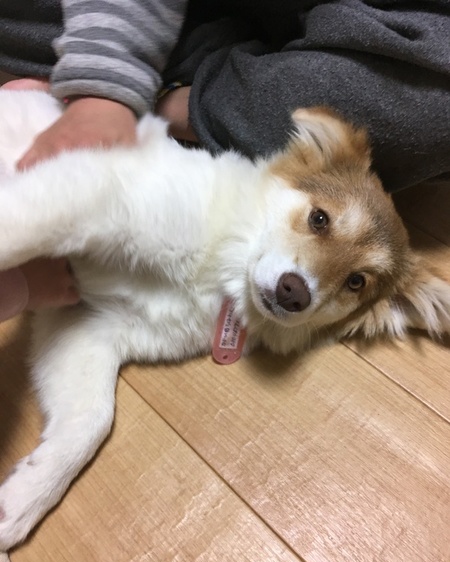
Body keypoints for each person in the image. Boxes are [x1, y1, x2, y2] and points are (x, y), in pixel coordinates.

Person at [0, 0, 449, 321]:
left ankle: (163, 103)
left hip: (314, 42)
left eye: (355, 282)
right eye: (318, 221)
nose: (303, 284)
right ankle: (156, 101)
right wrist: (104, 88)